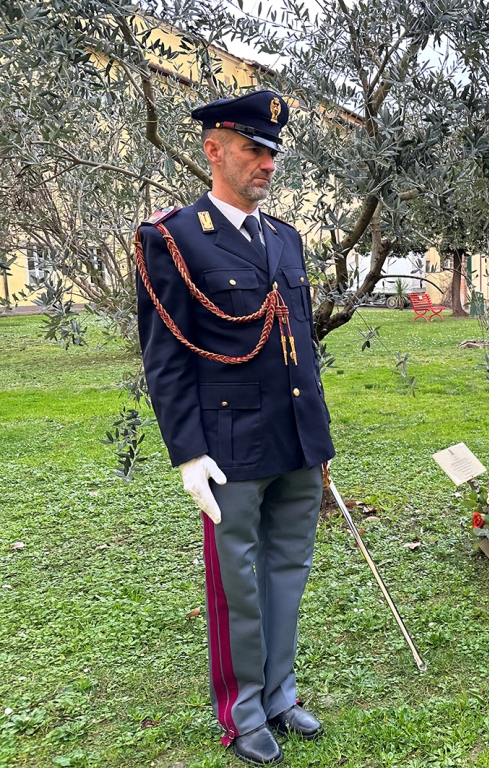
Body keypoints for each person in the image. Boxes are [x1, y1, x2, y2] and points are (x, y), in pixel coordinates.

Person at [135, 91, 334, 765]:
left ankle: (281, 693)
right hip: (231, 445)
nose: (267, 164)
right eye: (253, 149)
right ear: (213, 149)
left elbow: (302, 344)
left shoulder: (285, 238)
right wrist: (188, 453)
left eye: (272, 153)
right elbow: (165, 357)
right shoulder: (171, 238)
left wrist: (321, 441)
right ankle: (242, 712)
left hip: (298, 439)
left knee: (288, 570)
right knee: (237, 587)